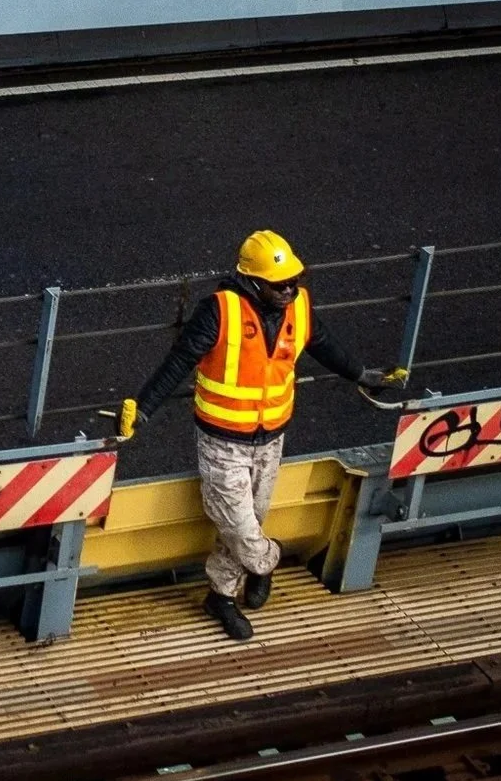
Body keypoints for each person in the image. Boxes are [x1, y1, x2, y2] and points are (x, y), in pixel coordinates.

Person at [114, 231, 402, 643]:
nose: (289, 289)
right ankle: (266, 560)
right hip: (222, 442)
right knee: (240, 524)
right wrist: (142, 409)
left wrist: (363, 376)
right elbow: (179, 361)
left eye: (293, 280)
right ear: (252, 281)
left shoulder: (298, 305)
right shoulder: (219, 311)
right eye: (279, 283)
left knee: (252, 518)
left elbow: (322, 344)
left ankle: (221, 597)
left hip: (272, 438)